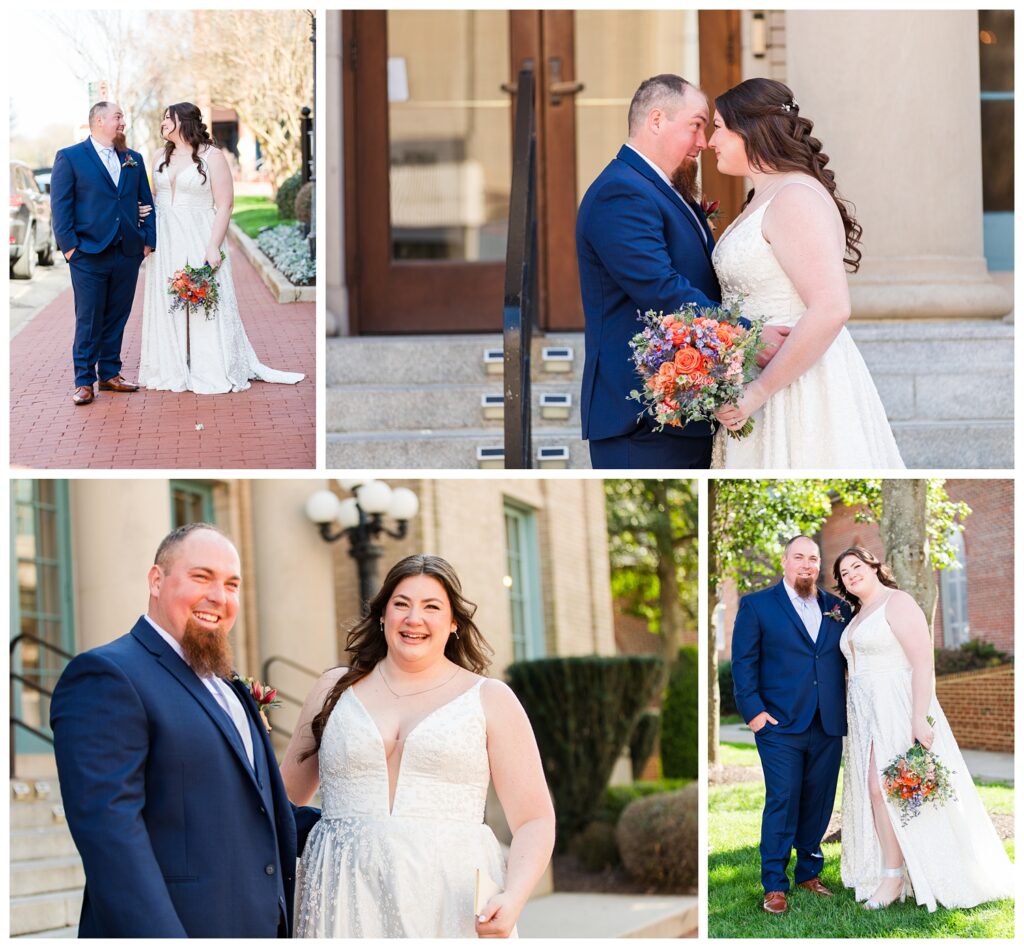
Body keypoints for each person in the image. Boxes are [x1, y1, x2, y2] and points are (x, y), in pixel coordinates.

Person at [50, 523, 320, 937]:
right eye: (201, 577)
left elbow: (259, 812)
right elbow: (111, 837)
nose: (219, 597)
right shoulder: (107, 675)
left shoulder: (229, 686)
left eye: (231, 584)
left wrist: (357, 828)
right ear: (156, 580)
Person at [282, 554, 556, 938]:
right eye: (401, 604)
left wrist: (514, 895)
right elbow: (281, 801)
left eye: (432, 607)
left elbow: (535, 819)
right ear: (382, 615)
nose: (414, 619)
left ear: (454, 622)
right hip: (340, 893)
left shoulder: (490, 698)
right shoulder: (333, 690)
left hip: (449, 901)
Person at [576, 74, 787, 470]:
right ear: (656, 120)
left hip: (682, 411)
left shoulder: (660, 188)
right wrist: (747, 335)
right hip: (643, 421)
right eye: (696, 124)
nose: (704, 141)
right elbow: (662, 290)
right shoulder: (619, 193)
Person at [709, 78, 904, 469]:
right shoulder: (763, 196)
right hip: (755, 374)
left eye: (717, 128)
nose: (711, 142)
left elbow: (831, 308)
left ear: (748, 129)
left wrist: (758, 392)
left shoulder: (795, 197)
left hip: (796, 384)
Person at [834, 547, 1014, 911]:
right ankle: (892, 870)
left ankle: (894, 875)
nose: (851, 574)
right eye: (844, 572)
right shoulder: (855, 616)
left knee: (885, 787)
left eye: (857, 566)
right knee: (876, 790)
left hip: (896, 707)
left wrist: (918, 718)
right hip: (865, 714)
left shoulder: (897, 602)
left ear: (873, 567)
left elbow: (922, 662)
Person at [139, 103, 304, 393]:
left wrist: (213, 246)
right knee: (168, 301)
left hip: (200, 233)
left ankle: (211, 365)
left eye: (168, 118)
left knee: (204, 300)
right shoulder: (156, 156)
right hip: (165, 238)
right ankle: (172, 366)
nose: (163, 122)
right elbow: (153, 197)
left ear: (184, 122)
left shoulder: (211, 156)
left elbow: (225, 204)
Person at [731, 535, 852, 915]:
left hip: (828, 722)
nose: (806, 565)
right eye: (798, 557)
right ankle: (774, 884)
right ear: (784, 562)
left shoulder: (838, 608)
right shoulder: (757, 606)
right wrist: (754, 714)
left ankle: (810, 873)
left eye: (813, 559)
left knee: (819, 801)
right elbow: (743, 664)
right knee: (783, 799)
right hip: (779, 725)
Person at [50, 101, 157, 406]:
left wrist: (147, 241)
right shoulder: (70, 157)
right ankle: (84, 381)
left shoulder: (133, 159)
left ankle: (109, 374)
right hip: (88, 254)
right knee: (89, 318)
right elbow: (61, 208)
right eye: (118, 117)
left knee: (117, 316)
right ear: (99, 120)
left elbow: (145, 202)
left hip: (127, 251)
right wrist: (71, 249)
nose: (123, 122)